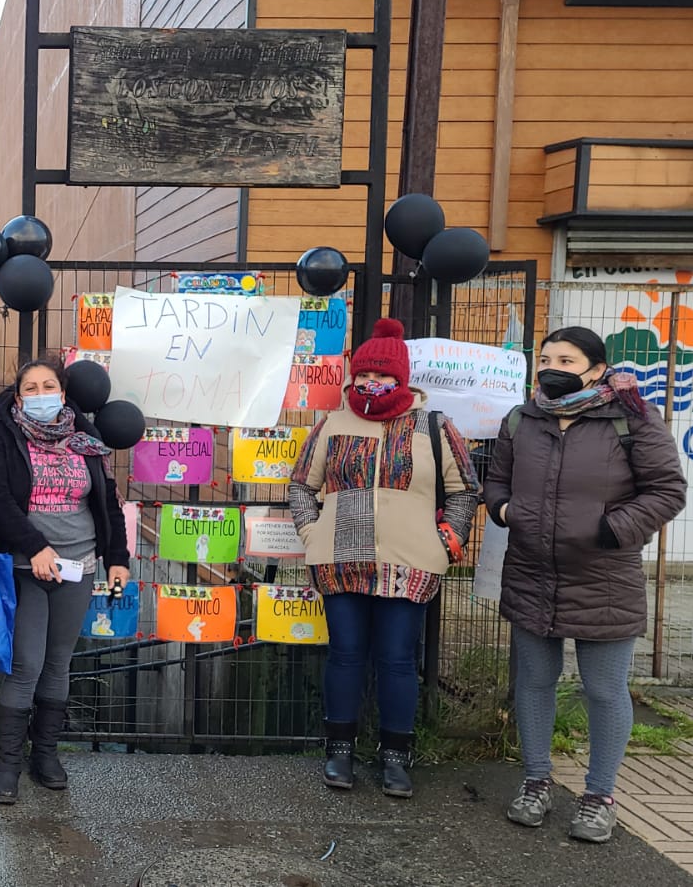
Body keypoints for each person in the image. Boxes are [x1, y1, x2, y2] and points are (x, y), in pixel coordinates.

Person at [486, 326, 686, 843]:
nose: (552, 366)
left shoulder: (633, 419)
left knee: (603, 689)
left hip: (604, 579)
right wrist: (506, 510)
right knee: (533, 682)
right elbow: (497, 481)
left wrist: (611, 529)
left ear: (596, 369)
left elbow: (667, 490)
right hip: (532, 572)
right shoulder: (521, 419)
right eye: (547, 357)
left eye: (567, 359)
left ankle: (599, 796)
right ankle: (535, 782)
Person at [288, 318, 479, 800]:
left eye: (383, 376)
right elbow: (301, 485)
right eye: (365, 375)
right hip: (340, 556)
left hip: (410, 560)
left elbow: (465, 491)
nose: (372, 383)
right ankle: (340, 751)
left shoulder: (433, 425)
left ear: (403, 379)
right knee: (346, 655)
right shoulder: (333, 423)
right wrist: (312, 534)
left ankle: (396, 757)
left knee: (396, 660)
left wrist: (446, 542)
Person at [0, 356, 130, 805]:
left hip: (79, 564)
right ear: (18, 396)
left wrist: (116, 558)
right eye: (31, 387)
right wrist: (35, 547)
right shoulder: (2, 437)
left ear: (63, 394)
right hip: (26, 568)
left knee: (59, 663)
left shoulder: (87, 440)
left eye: (49, 386)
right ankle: (7, 763)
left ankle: (44, 756)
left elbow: (108, 502)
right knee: (26, 663)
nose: (40, 394)